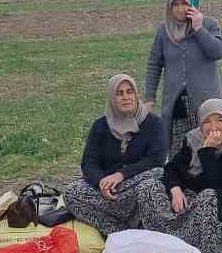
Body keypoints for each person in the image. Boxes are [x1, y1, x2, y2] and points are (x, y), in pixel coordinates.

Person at [138, 98, 222, 253]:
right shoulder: (193, 140)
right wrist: (175, 190)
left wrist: (207, 151)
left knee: (209, 196)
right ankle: (165, 241)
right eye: (207, 122)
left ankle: (201, 252)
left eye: (220, 120)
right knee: (149, 186)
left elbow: (218, 184)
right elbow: (171, 168)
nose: (213, 127)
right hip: (191, 207)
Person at [61, 73, 165, 234]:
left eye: (129, 91)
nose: (126, 97)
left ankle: (139, 227)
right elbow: (89, 163)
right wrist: (101, 182)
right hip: (107, 193)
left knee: (155, 177)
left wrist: (121, 175)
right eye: (119, 93)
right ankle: (119, 233)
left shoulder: (154, 123)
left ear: (136, 94)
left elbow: (155, 160)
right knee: (71, 192)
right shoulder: (101, 126)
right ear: (112, 98)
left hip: (135, 187)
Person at [144, 0, 222, 156]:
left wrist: (198, 28)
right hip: (176, 106)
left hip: (205, 105)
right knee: (179, 154)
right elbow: (154, 64)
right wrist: (149, 98)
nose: (180, 9)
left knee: (209, 150)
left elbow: (217, 52)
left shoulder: (209, 24)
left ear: (193, 3)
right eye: (175, 4)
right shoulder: (163, 31)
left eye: (184, 3)